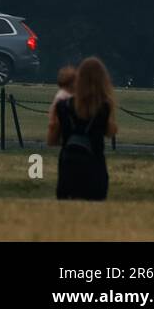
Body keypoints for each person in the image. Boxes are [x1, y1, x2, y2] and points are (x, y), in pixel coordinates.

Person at [47, 56, 117, 201]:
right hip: (95, 165)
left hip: (68, 164)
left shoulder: (63, 106)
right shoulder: (104, 108)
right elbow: (110, 132)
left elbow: (52, 139)